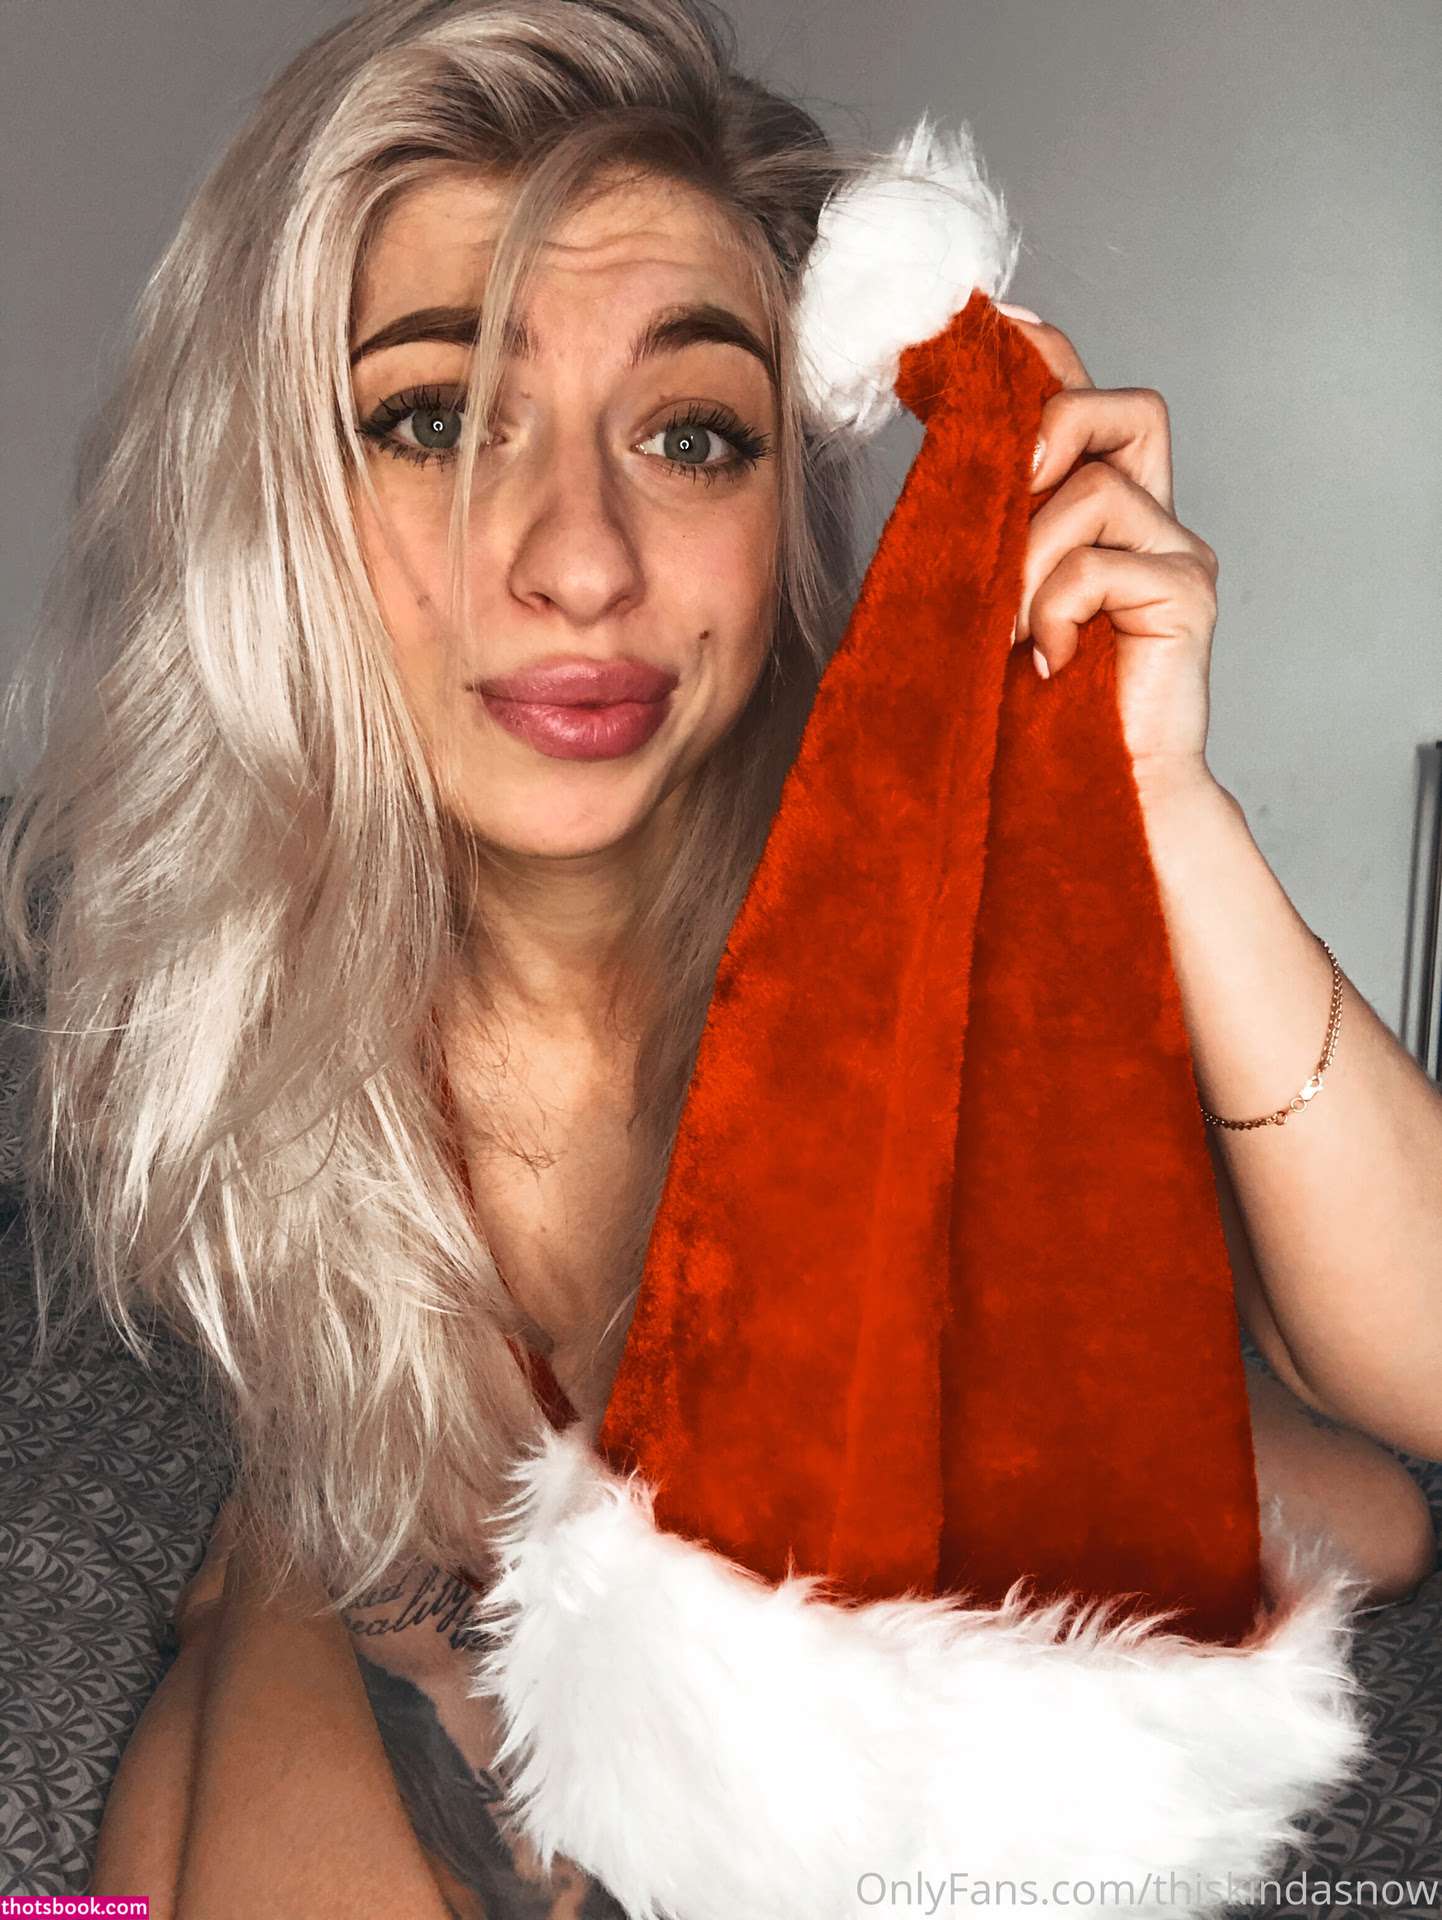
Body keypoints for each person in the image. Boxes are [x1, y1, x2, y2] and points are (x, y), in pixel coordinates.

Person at [1, 0, 1433, 1910]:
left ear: (787, 521)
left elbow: (1390, 1451)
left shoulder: (930, 960)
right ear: (277, 504)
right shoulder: (194, 1046)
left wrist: (1161, 796)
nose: (580, 560)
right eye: (434, 420)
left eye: (690, 436)